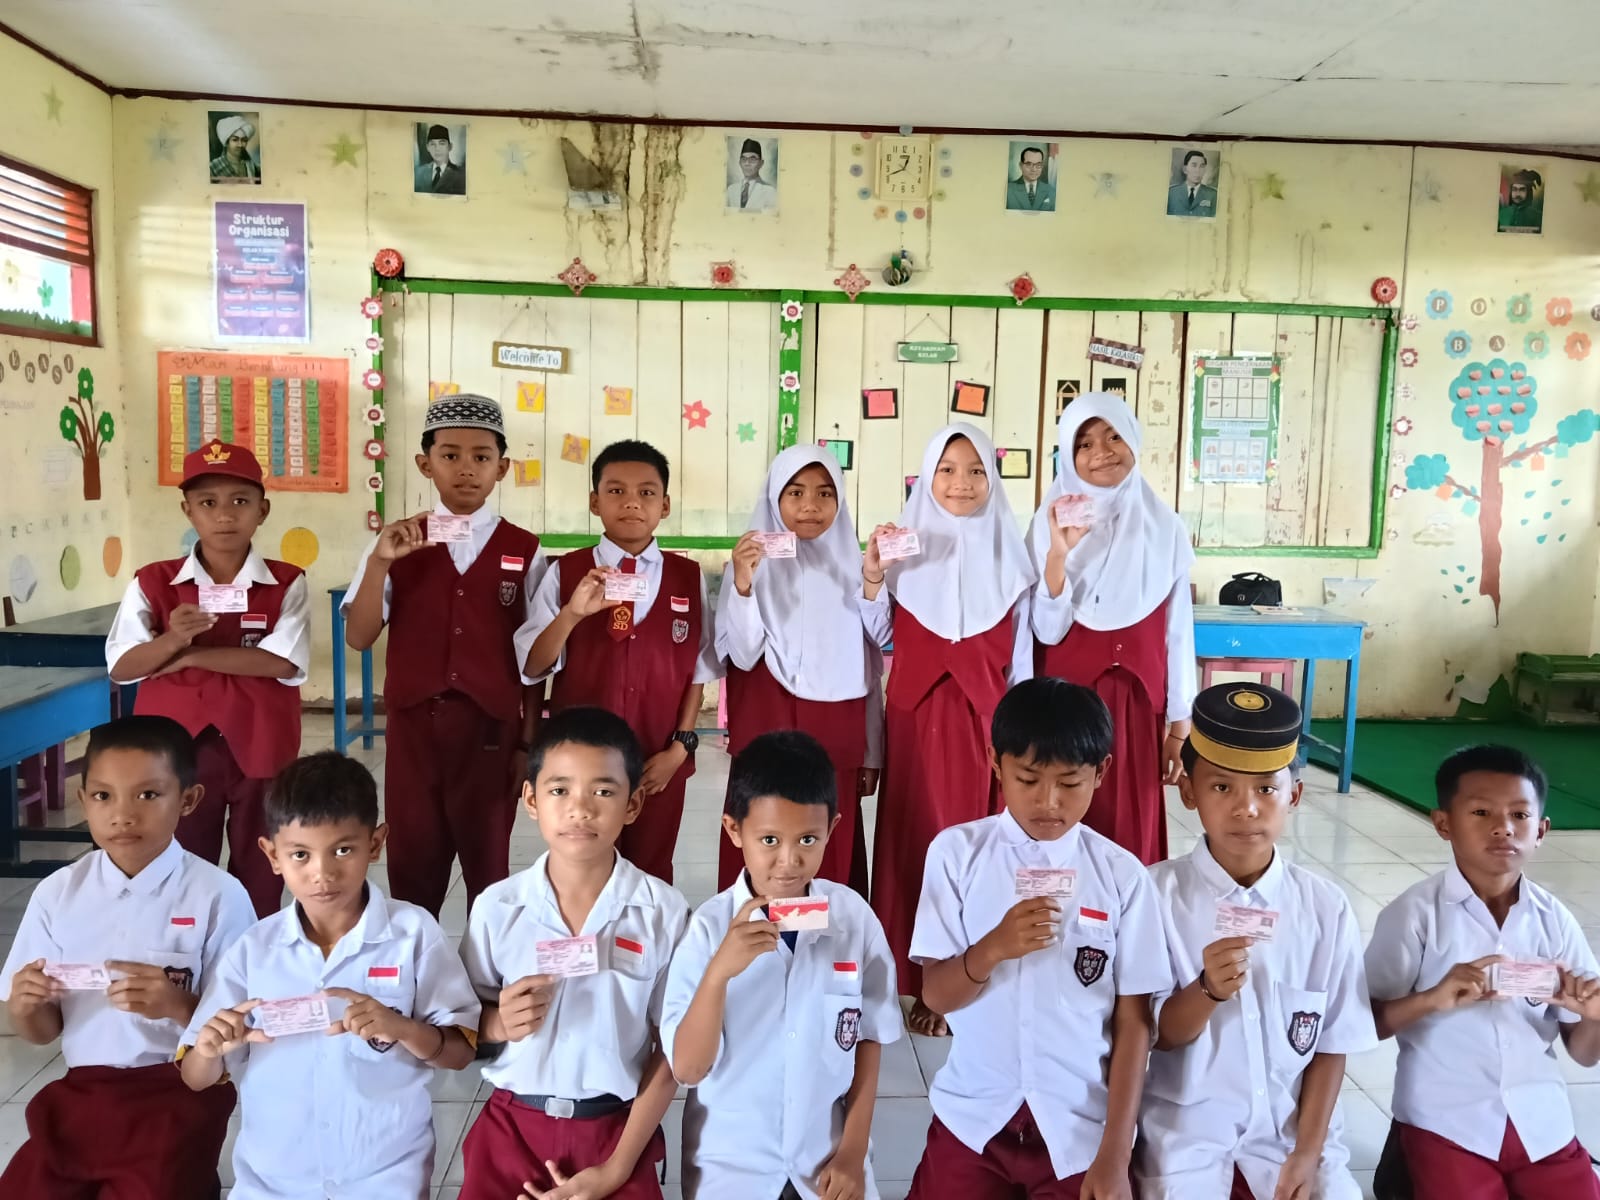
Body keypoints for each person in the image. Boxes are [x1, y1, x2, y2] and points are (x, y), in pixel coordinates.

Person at [905, 678, 1170, 1199]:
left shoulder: (1121, 876)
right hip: (974, 1117)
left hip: (1078, 1129)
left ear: (1102, 772)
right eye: (1028, 779)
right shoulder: (957, 854)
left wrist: (1116, 1155)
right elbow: (935, 996)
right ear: (995, 763)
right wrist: (991, 950)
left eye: (1070, 783)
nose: (1048, 801)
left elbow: (1134, 1023)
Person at [180, 751, 480, 1199]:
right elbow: (195, 1076)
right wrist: (209, 1049)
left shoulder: (413, 934)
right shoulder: (253, 950)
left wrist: (403, 1029)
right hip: (273, 1181)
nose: (322, 873)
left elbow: (459, 1052)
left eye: (343, 850)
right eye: (300, 854)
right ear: (272, 855)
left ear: (375, 844)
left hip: (384, 1176)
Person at [1138, 683, 1376, 1200]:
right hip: (1188, 1141)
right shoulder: (1153, 898)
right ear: (1188, 792)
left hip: (1293, 1140)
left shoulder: (1325, 908)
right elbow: (1155, 1035)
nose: (1246, 808)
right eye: (1222, 787)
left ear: (1294, 795)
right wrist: (1207, 990)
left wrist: (1307, 1153)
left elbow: (1332, 1044)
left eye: (1266, 789)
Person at [0, 715, 255, 1198]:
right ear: (83, 801)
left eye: (148, 795)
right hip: (83, 1094)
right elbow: (42, 1032)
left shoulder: (218, 895)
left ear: (189, 800)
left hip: (178, 1091)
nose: (123, 815)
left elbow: (239, 1032)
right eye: (103, 796)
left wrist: (178, 1005)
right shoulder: (58, 893)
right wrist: (27, 1006)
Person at [458, 706, 688, 1200]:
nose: (580, 809)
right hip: (512, 1128)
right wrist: (498, 1023)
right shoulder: (498, 907)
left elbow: (674, 1047)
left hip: (616, 1133)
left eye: (603, 791)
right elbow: (458, 1024)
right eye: (560, 790)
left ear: (633, 803)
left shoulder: (663, 912)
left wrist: (617, 1168)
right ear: (531, 799)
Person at [662, 730, 899, 1200]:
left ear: (832, 829)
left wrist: (853, 1151)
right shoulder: (708, 929)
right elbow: (687, 1069)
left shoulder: (852, 919)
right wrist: (718, 974)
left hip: (826, 1161)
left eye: (808, 839)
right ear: (734, 830)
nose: (789, 862)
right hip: (731, 1168)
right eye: (769, 839)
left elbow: (869, 1035)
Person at [1364, 744, 1600, 1200]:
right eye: (1481, 812)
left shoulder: (1555, 920)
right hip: (1446, 1123)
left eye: (1519, 815)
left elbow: (1586, 1054)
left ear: (1541, 830)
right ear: (1443, 824)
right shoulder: (1414, 915)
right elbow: (1362, 1023)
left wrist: (1593, 1016)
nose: (1502, 827)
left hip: (1540, 1123)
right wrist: (1431, 999)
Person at [344, 394, 546, 917]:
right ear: (425, 463)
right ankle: (417, 960)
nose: (466, 469)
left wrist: (527, 741)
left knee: (488, 867)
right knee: (414, 862)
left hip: (491, 731)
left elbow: (536, 659)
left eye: (481, 457)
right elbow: (359, 636)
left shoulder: (525, 550)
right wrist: (380, 564)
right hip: (414, 730)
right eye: (450, 455)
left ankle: (486, 965)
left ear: (502, 468)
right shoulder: (395, 543)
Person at [865, 421, 1035, 1036]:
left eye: (975, 471)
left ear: (992, 479)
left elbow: (1023, 662)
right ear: (926, 477)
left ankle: (969, 974)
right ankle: (918, 979)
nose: (961, 483)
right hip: (916, 724)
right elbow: (877, 635)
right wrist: (873, 576)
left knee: (977, 848)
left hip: (984, 729)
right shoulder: (902, 550)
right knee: (916, 841)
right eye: (947, 470)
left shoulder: (1014, 560)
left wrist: (1019, 738)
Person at [108, 438, 309, 916]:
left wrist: (192, 657)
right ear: (188, 511)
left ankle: (254, 950)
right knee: (180, 860)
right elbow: (123, 666)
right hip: (176, 750)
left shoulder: (286, 581)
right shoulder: (153, 581)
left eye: (240, 502)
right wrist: (173, 639)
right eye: (207, 503)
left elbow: (283, 662)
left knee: (263, 864)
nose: (224, 516)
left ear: (262, 510)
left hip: (261, 744)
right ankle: (183, 950)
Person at [517, 439, 721, 884]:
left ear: (665, 505)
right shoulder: (565, 572)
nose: (632, 502)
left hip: (657, 758)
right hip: (581, 763)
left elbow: (700, 668)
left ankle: (646, 934)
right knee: (582, 867)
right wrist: (572, 614)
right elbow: (532, 666)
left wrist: (680, 747)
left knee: (651, 870)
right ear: (595, 502)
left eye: (646, 492)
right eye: (616, 491)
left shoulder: (687, 577)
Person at [1029, 393, 1196, 865]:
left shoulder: (1165, 528)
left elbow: (1178, 632)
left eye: (1114, 437)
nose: (1101, 452)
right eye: (1084, 443)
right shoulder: (1047, 525)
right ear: (1068, 456)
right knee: (1063, 822)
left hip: (1136, 711)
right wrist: (1059, 554)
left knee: (1129, 826)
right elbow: (1045, 631)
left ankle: (1128, 911)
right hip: (1063, 708)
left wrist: (1179, 725)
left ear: (1134, 441)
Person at [714, 443, 887, 894]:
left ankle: (829, 937)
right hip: (767, 728)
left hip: (837, 737)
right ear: (775, 497)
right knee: (763, 836)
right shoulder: (750, 566)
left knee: (828, 845)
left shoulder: (857, 568)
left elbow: (871, 665)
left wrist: (871, 753)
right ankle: (755, 934)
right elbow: (743, 655)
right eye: (795, 492)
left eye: (825, 493)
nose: (810, 505)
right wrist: (744, 585)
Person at [726, 137, 777, 211]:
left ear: (761, 163)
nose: (747, 163)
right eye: (744, 159)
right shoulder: (731, 190)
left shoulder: (770, 192)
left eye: (752, 159)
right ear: (740, 163)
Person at [415, 123, 466, 194]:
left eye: (442, 143)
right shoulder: (418, 173)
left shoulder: (460, 176)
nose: (437, 149)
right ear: (428, 147)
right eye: (432, 144)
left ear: (450, 147)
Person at [1166, 150, 1218, 217]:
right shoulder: (1171, 193)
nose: (1198, 170)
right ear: (1185, 169)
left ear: (1205, 170)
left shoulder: (1213, 195)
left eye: (1202, 166)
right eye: (1194, 165)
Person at [210, 114, 260, 182]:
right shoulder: (214, 167)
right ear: (226, 143)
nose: (240, 144)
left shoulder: (252, 167)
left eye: (244, 140)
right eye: (235, 140)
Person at [1005, 146, 1056, 211]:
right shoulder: (1008, 190)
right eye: (1029, 164)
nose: (1034, 169)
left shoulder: (1051, 191)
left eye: (1038, 165)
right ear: (1020, 165)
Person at [1497, 168, 1542, 233]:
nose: (1517, 194)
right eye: (1514, 189)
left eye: (1522, 190)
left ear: (1528, 192)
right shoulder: (1501, 213)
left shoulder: (1538, 216)